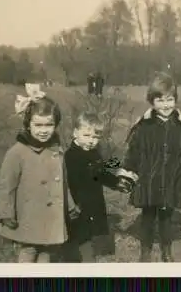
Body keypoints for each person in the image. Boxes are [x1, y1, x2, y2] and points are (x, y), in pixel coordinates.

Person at [120, 72, 181, 262]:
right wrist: (127, 175)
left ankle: (167, 251)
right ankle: (145, 251)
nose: (165, 105)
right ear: (152, 102)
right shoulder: (144, 126)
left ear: (175, 100)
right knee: (148, 217)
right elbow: (133, 152)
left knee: (167, 218)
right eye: (160, 100)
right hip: (148, 181)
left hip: (171, 179)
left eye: (169, 100)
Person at [0, 83, 80, 263]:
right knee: (29, 249)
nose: (43, 130)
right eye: (38, 125)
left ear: (55, 124)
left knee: (47, 251)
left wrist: (70, 205)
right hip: (29, 215)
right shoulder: (17, 153)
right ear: (28, 124)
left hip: (50, 215)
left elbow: (62, 182)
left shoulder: (56, 150)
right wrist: (5, 213)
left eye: (49, 125)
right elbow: (6, 186)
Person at [62, 112, 129, 262]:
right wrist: (73, 205)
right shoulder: (71, 156)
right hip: (77, 204)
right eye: (87, 135)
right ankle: (81, 262)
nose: (91, 141)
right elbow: (69, 182)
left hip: (92, 202)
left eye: (95, 137)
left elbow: (101, 173)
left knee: (87, 234)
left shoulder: (94, 153)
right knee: (77, 236)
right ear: (75, 133)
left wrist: (116, 183)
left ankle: (83, 260)